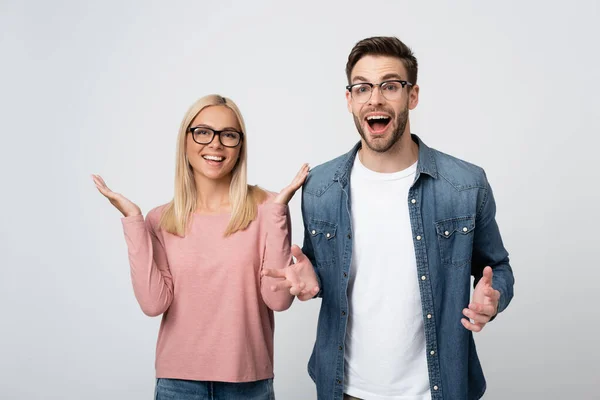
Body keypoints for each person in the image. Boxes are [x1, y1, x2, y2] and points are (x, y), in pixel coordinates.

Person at [263, 37, 515, 400]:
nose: (375, 98)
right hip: (344, 389)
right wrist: (311, 280)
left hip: (437, 391)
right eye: (362, 87)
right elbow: (322, 272)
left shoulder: (464, 184)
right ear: (349, 99)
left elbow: (499, 269)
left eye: (390, 86)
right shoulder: (320, 187)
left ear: (412, 96)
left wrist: (493, 300)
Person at [92, 94, 308, 400]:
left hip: (248, 383)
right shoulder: (160, 219)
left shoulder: (267, 208)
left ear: (240, 146)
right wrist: (132, 220)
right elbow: (153, 304)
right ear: (185, 141)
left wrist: (278, 213)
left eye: (228, 135)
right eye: (203, 132)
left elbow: (278, 300)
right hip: (177, 383)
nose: (215, 144)